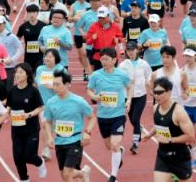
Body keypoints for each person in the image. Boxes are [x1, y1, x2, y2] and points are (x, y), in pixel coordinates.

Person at [87, 47, 132, 182]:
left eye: (106, 59)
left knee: (114, 144)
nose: (104, 62)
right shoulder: (96, 75)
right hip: (103, 116)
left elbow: (130, 87)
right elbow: (89, 90)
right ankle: (120, 151)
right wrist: (95, 97)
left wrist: (128, 101)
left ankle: (113, 175)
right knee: (109, 146)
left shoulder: (122, 75)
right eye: (102, 59)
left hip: (118, 115)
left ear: (114, 60)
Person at [43, 69, 93, 182]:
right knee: (64, 176)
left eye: (58, 84)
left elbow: (92, 117)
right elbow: (48, 122)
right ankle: (83, 173)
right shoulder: (51, 102)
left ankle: (82, 173)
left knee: (67, 173)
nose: (55, 87)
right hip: (59, 142)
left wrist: (87, 132)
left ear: (66, 84)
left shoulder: (79, 101)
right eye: (54, 84)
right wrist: (49, 137)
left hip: (75, 141)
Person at [143, 77, 195, 182]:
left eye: (160, 92)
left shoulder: (179, 112)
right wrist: (149, 135)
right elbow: (160, 125)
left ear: (169, 92)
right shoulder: (155, 108)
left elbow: (191, 137)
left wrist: (170, 140)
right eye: (155, 92)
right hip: (163, 156)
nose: (156, 95)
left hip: (180, 158)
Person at [7, 63, 48, 180]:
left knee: (29, 156)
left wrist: (28, 115)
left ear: (27, 75)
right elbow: (9, 106)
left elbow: (41, 107)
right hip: (16, 128)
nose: (17, 74)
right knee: (17, 157)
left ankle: (40, 163)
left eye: (20, 72)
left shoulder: (33, 91)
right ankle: (24, 178)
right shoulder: (12, 90)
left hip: (31, 129)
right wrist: (3, 114)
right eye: (16, 72)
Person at [117, 41, 152, 154]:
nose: (130, 52)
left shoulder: (144, 64)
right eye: (128, 50)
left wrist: (149, 86)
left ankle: (135, 143)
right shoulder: (123, 65)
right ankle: (139, 129)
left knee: (136, 119)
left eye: (132, 50)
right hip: (127, 97)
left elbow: (149, 76)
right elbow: (118, 79)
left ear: (137, 50)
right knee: (132, 120)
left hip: (140, 95)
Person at [86, 6, 124, 71]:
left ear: (108, 16)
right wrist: (92, 38)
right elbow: (88, 42)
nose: (100, 19)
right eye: (99, 17)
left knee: (112, 75)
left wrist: (117, 40)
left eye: (103, 18)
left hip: (111, 56)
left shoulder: (115, 26)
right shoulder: (93, 26)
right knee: (99, 76)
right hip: (98, 57)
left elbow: (120, 37)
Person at [17, 4, 47, 72]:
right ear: (27, 14)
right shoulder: (23, 26)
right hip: (28, 56)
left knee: (38, 73)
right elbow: (18, 38)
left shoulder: (43, 26)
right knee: (28, 74)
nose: (32, 14)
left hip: (40, 55)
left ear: (37, 13)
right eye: (29, 12)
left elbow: (47, 38)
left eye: (34, 12)